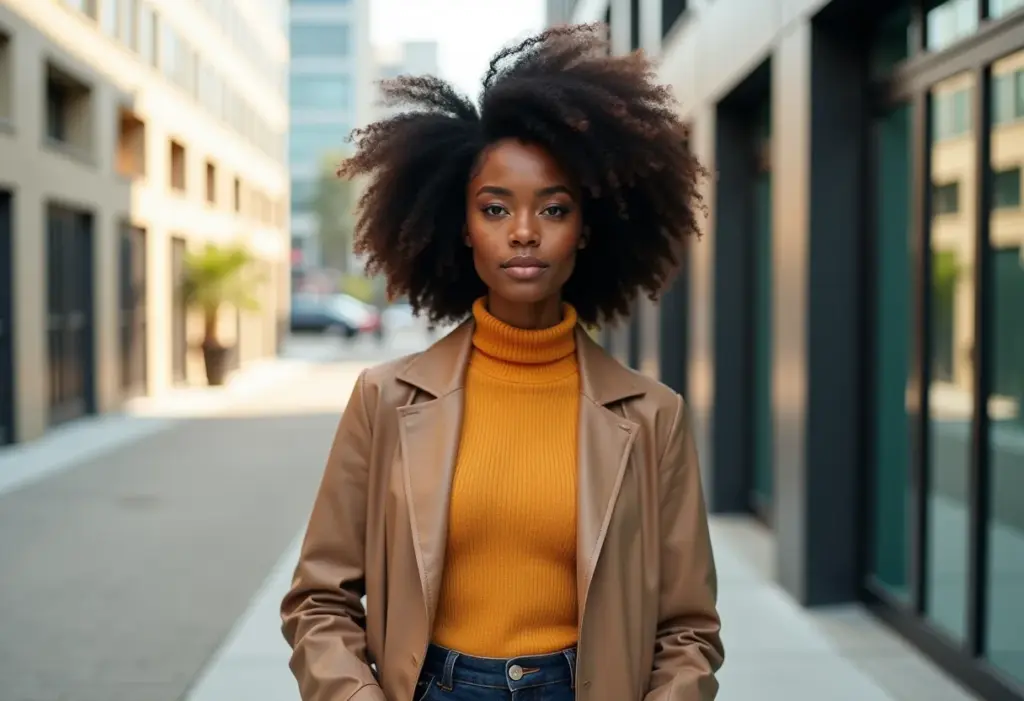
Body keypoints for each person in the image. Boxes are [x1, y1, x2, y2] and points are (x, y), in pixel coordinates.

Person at [281, 23, 724, 701]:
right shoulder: (385, 398)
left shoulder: (653, 416)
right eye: (496, 208)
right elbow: (318, 602)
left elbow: (688, 629)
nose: (524, 230)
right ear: (462, 226)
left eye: (554, 208)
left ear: (587, 228)